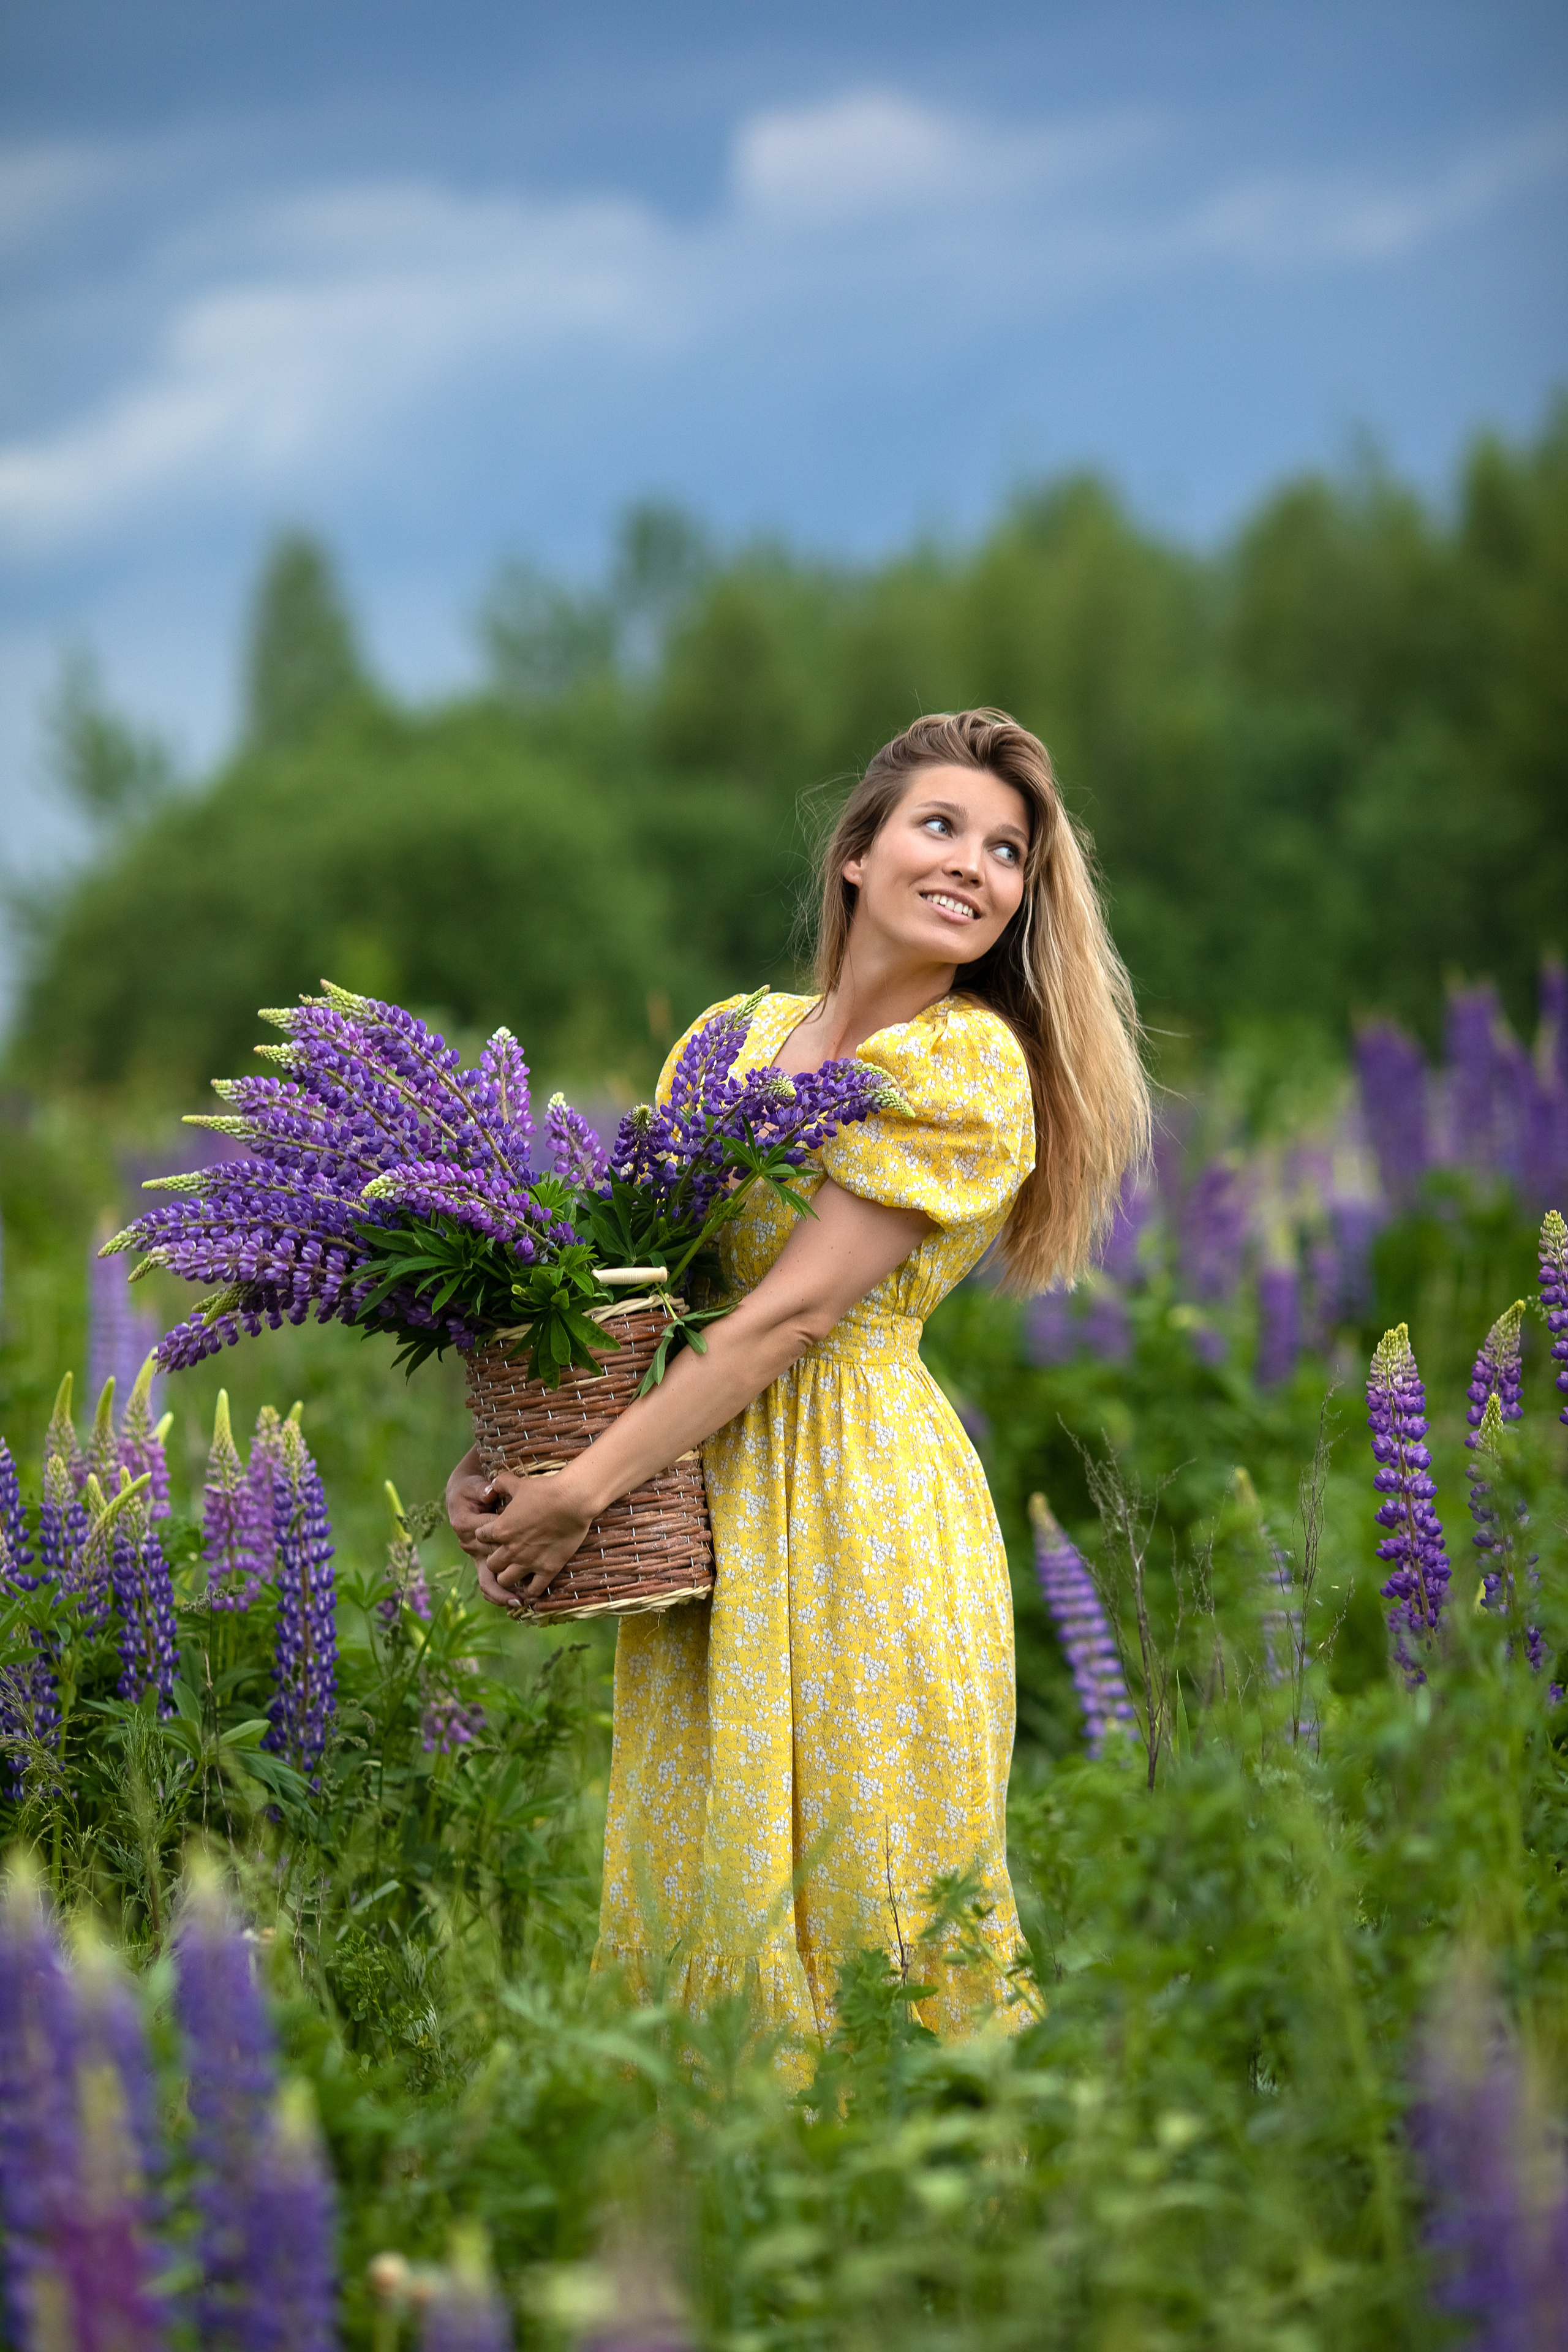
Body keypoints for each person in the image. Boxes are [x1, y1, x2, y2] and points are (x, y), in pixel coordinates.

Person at [447, 709, 1149, 2049]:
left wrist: (583, 1492)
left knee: (870, 1902)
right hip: (698, 1489)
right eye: (941, 826)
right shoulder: (729, 1038)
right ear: (856, 853)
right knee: (705, 1884)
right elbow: (634, 1292)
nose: (974, 864)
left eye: (1007, 851)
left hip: (860, 1505)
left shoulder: (963, 1064)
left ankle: (930, 2180)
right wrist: (511, 1453)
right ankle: (715, 2180)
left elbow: (791, 1315)